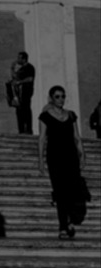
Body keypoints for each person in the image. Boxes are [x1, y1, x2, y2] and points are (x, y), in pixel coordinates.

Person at [38, 86, 87, 239]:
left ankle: (70, 218)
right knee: (60, 192)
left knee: (72, 189)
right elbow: (41, 139)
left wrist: (82, 154)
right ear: (52, 98)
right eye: (57, 96)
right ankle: (63, 227)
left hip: (71, 157)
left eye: (63, 96)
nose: (61, 99)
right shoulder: (45, 116)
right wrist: (40, 160)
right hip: (55, 158)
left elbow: (77, 137)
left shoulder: (71, 115)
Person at [11, 51, 35, 134]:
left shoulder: (30, 67)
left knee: (26, 110)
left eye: (19, 58)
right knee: (19, 111)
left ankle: (28, 129)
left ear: (24, 59)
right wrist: (13, 70)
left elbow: (30, 79)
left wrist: (20, 82)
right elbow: (15, 78)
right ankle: (21, 130)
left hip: (26, 92)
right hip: (19, 94)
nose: (17, 59)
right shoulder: (21, 69)